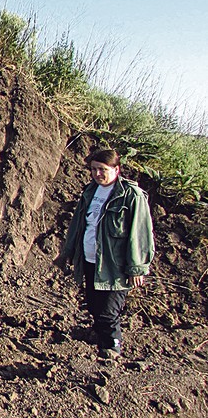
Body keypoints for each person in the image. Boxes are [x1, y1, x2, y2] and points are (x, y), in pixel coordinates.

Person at [54, 148, 155, 358]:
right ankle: (100, 339)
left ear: (116, 169)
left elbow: (140, 233)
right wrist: (69, 252)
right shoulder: (90, 191)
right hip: (91, 260)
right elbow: (79, 225)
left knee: (108, 311)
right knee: (93, 305)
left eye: (102, 169)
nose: (97, 173)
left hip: (114, 265)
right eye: (94, 169)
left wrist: (136, 268)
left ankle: (112, 349)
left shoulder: (130, 195)